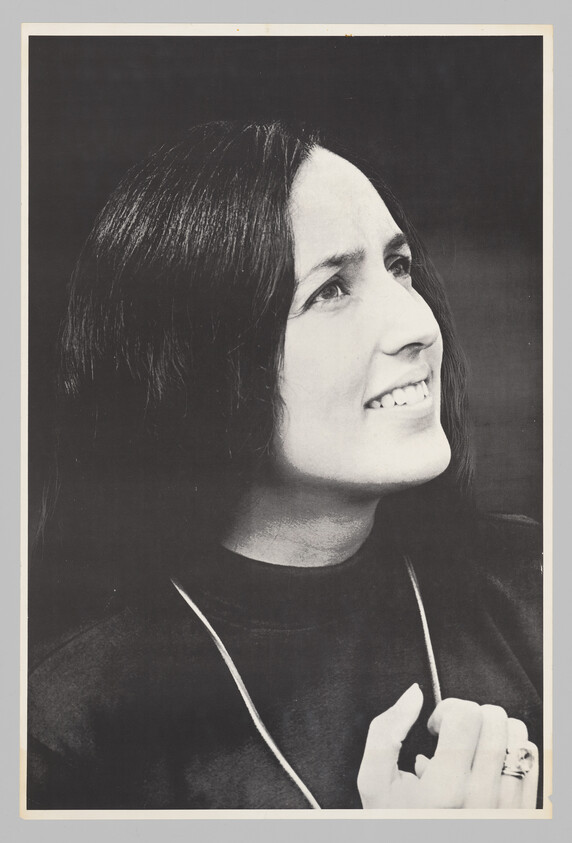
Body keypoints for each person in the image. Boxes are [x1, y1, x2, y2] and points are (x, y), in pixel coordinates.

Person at [27, 120, 542, 811]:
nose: (419, 324)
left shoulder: (535, 587)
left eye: (398, 265)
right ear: (204, 370)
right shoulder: (63, 730)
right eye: (332, 289)